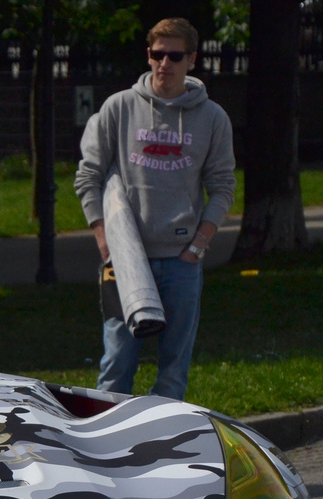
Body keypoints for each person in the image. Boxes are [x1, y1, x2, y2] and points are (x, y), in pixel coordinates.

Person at [73, 16, 235, 401]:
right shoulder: (119, 108)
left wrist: (199, 244)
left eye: (175, 56)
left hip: (181, 263)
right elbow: (88, 175)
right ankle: (106, 448)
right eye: (158, 55)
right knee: (116, 364)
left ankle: (161, 447)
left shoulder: (212, 118)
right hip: (125, 261)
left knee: (174, 369)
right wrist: (104, 239)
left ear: (191, 60)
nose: (165, 64)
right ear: (148, 56)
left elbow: (224, 187)